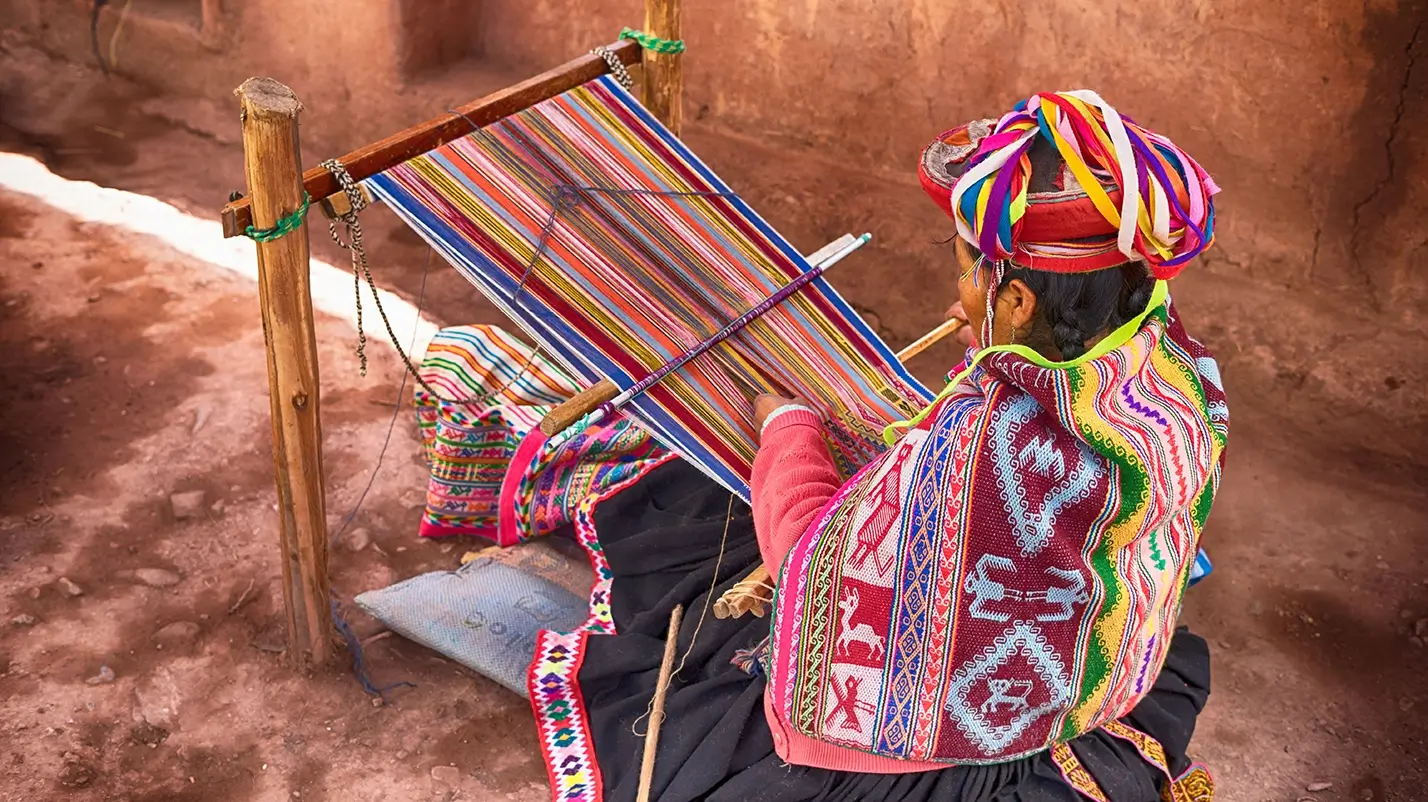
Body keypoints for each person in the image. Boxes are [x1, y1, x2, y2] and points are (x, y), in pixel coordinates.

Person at [529, 91, 1226, 802]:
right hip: (1097, 676)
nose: (957, 298)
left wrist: (788, 429)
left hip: (947, 749)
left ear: (1016, 303)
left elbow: (809, 566)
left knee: (719, 525)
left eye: (968, 272)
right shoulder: (1174, 372)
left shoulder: (980, 451)